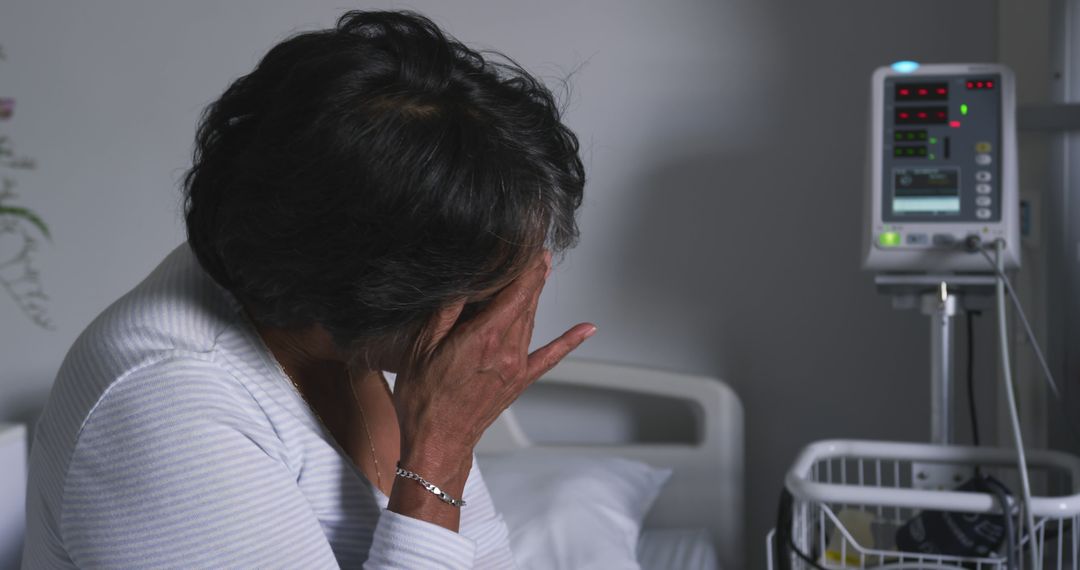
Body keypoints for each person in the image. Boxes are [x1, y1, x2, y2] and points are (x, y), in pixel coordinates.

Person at [22, 10, 595, 568]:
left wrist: (445, 445)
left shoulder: (335, 326)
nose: (502, 324)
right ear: (371, 289)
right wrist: (439, 457)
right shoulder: (163, 415)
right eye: (487, 292)